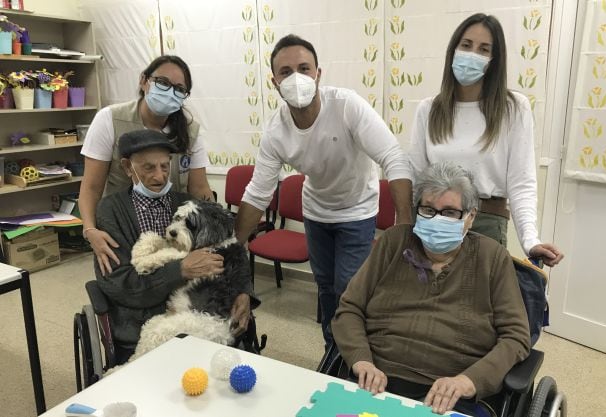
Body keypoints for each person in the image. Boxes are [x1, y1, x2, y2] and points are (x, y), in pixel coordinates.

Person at [235, 34, 413, 346]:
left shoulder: (346, 106)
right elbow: (258, 192)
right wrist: (234, 244)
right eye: (286, 72)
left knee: (349, 287)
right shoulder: (275, 131)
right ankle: (334, 348)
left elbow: (393, 157)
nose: (296, 78)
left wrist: (405, 223)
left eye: (304, 68)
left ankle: (357, 352)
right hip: (316, 212)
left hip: (357, 210)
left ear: (319, 73)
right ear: (274, 82)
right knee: (326, 286)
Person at [332, 162, 530, 417]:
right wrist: (361, 360)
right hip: (375, 379)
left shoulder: (492, 258)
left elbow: (516, 337)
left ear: (470, 217)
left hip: (451, 395)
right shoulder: (393, 242)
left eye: (449, 213)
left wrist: (468, 381)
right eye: (428, 210)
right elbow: (350, 307)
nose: (437, 219)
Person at [408, 13, 563, 267]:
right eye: (466, 45)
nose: (472, 54)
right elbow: (414, 177)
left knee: (479, 303)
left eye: (484, 49)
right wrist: (406, 227)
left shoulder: (513, 108)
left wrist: (530, 240)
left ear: (493, 60)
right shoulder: (428, 109)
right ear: (453, 50)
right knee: (430, 302)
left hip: (487, 224)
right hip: (434, 225)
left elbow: (522, 181)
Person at [94, 129, 255, 365]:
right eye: (149, 168)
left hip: (202, 312)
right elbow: (117, 283)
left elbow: (229, 251)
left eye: (165, 166)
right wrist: (179, 271)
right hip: (143, 319)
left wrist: (245, 292)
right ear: (128, 168)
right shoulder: (111, 211)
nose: (159, 177)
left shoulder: (186, 204)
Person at [79, 55, 215, 276]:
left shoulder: (190, 132)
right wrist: (90, 230)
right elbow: (91, 188)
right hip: (123, 227)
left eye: (179, 89)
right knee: (130, 285)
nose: (170, 92)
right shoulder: (110, 120)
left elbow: (199, 189)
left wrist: (213, 228)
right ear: (144, 81)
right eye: (162, 83)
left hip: (174, 229)